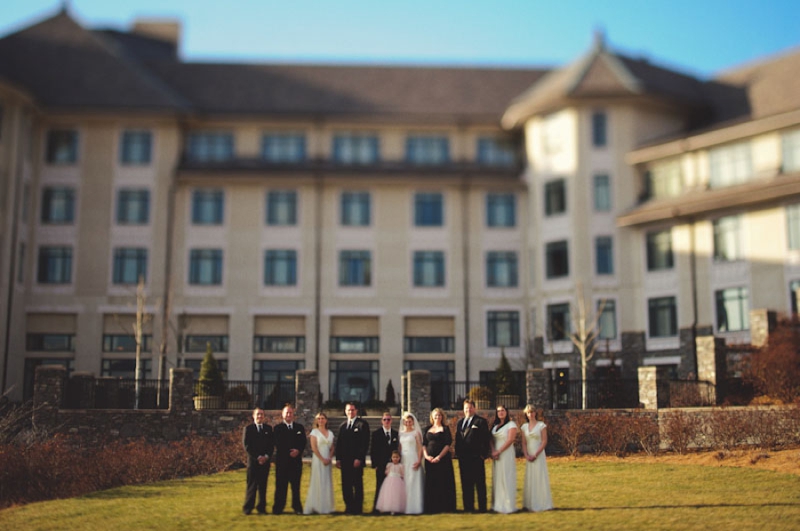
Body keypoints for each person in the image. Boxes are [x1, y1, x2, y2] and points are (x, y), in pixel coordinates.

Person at [454, 398, 490, 512]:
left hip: (476, 458)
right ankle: (468, 507)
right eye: (466, 408)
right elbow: (458, 439)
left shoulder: (480, 422)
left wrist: (483, 455)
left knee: (479, 484)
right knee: (466, 484)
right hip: (464, 459)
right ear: (463, 410)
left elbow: (486, 439)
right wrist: (458, 454)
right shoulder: (460, 423)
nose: (468, 410)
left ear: (474, 408)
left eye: (470, 407)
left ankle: (482, 508)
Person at [335, 402, 370, 514]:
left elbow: (364, 443)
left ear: (356, 411)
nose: (351, 412)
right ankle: (349, 507)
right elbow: (339, 444)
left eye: (352, 410)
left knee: (357, 485)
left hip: (356, 461)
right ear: (345, 411)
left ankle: (358, 508)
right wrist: (338, 459)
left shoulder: (362, 425)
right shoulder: (343, 426)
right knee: (346, 485)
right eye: (348, 410)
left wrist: (359, 458)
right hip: (345, 461)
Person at [273, 404, 307, 515]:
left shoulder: (299, 428)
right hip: (282, 462)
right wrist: (288, 452)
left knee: (296, 487)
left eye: (290, 413)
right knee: (281, 487)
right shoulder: (277, 429)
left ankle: (297, 507)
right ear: (282, 415)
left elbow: (303, 442)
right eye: (286, 413)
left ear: (293, 415)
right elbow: (277, 443)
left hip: (296, 463)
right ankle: (278, 508)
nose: (288, 415)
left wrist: (298, 450)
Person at [422, 407, 456, 513]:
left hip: (443, 460)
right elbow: (424, 444)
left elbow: (447, 444)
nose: (437, 417)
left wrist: (439, 457)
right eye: (435, 415)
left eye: (439, 415)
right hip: (429, 461)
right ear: (432, 417)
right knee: (431, 482)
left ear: (442, 417)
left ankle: (444, 507)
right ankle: (432, 507)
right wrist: (427, 456)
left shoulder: (445, 429)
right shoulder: (427, 429)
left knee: (443, 482)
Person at [521, 404, 554, 512]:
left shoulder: (541, 425)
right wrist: (526, 455)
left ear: (535, 413)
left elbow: (544, 441)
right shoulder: (524, 427)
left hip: (538, 455)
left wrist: (535, 454)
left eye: (532, 412)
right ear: (526, 414)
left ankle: (542, 503)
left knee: (539, 477)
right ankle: (530, 503)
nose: (531, 414)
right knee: (530, 478)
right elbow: (524, 443)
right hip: (529, 455)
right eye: (528, 412)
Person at [242, 408, 274, 515]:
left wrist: (266, 456)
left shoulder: (268, 429)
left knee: (263, 486)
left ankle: (261, 508)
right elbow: (247, 446)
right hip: (253, 462)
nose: (260, 417)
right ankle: (248, 508)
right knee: (252, 486)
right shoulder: (248, 429)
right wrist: (258, 457)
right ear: (253, 416)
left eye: (261, 415)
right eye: (258, 415)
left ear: (264, 416)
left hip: (265, 462)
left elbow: (271, 445)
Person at [304, 412, 336, 515]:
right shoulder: (314, 432)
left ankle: (326, 506)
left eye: (323, 418)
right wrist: (322, 459)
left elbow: (332, 448)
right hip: (318, 460)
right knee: (318, 480)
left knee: (326, 481)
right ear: (316, 421)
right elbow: (314, 448)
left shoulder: (330, 433)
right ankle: (316, 505)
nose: (321, 420)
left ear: (326, 420)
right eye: (319, 419)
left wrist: (329, 458)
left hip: (327, 460)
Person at [490, 404, 519, 514]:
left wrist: (499, 451)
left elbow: (510, 440)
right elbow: (491, 440)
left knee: (506, 478)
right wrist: (493, 451)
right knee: (498, 478)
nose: (500, 412)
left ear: (506, 412)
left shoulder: (511, 424)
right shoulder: (495, 425)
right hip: (496, 455)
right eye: (498, 411)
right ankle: (498, 505)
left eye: (502, 410)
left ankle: (508, 505)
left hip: (506, 454)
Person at [370, 411, 399, 512]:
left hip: (392, 465)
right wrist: (375, 465)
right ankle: (377, 508)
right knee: (380, 486)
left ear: (391, 421)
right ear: (381, 421)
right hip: (380, 464)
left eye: (388, 419)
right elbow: (373, 450)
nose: (387, 421)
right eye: (385, 419)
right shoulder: (376, 434)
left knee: (392, 486)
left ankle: (390, 507)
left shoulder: (396, 434)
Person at [399, 411, 424, 514]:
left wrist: (419, 460)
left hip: (413, 458)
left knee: (413, 481)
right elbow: (399, 448)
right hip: (403, 459)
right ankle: (404, 506)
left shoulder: (416, 433)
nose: (408, 423)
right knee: (404, 482)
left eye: (410, 421)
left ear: (413, 422)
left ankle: (414, 507)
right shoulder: (401, 433)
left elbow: (419, 448)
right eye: (406, 421)